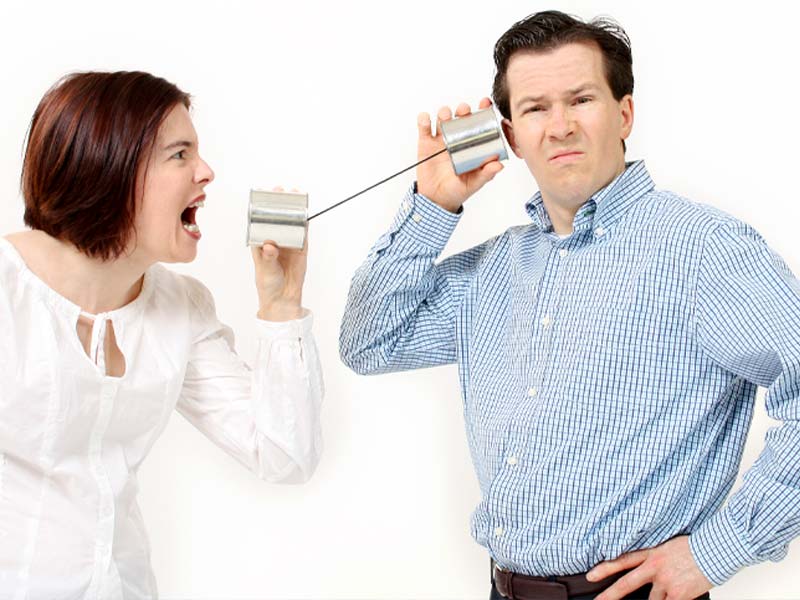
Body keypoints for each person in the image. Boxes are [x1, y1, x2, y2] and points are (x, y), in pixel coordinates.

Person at [339, 10, 800, 600]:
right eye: (534, 108)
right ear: (509, 136)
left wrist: (717, 551)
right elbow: (370, 342)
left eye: (581, 99)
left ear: (624, 113)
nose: (559, 127)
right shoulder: (495, 268)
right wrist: (434, 204)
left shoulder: (703, 251)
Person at [0, 71, 323, 599]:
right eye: (180, 155)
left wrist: (281, 306)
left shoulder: (180, 307)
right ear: (110, 168)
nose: (206, 171)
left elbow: (284, 455)